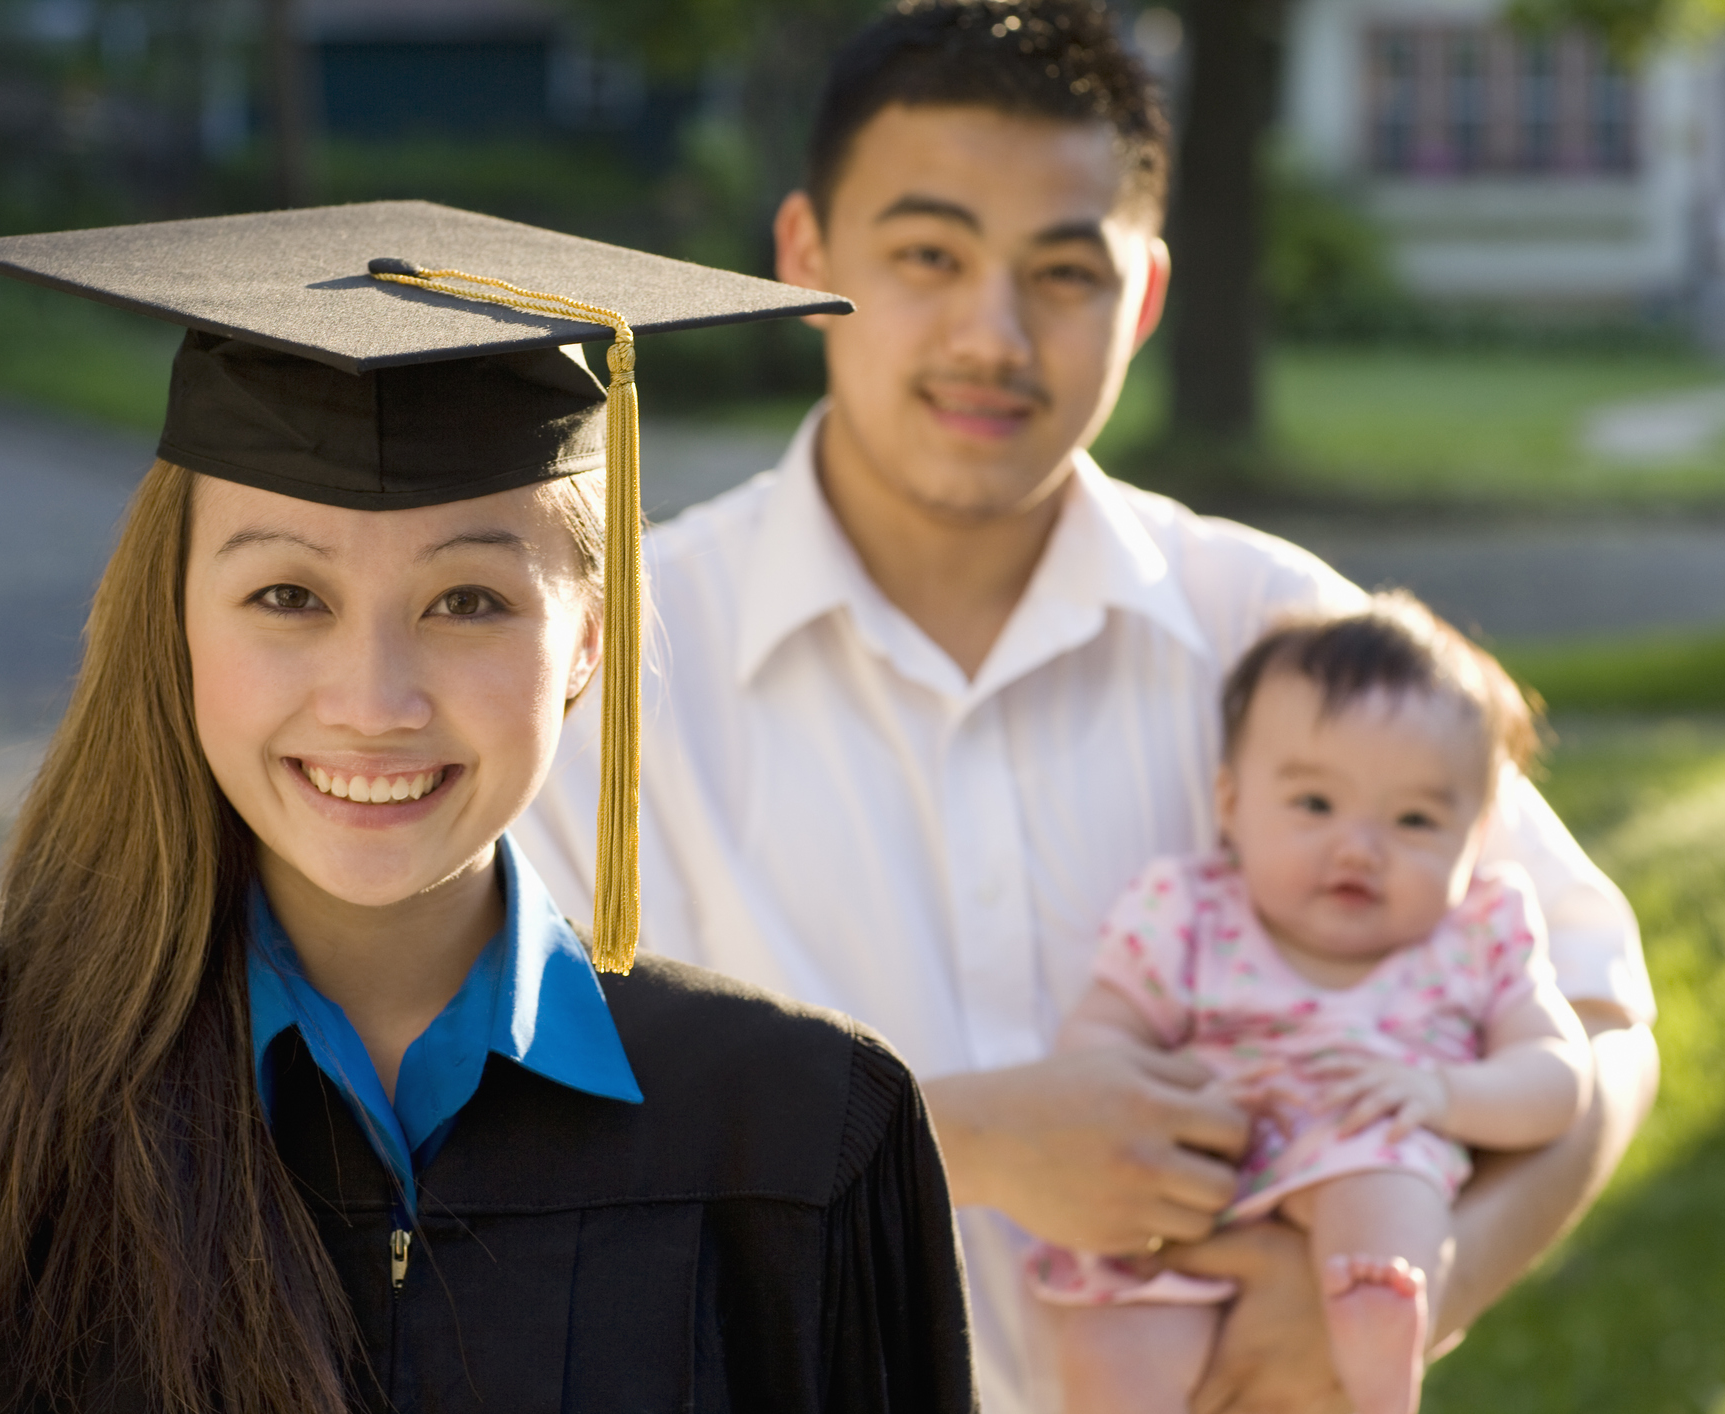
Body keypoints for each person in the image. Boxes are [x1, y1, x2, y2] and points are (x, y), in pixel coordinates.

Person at [0, 204, 976, 1413]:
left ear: (588, 645)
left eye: (468, 600)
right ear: (177, 622)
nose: (372, 698)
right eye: (287, 596)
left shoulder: (794, 1136)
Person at [514, 3, 1659, 1409]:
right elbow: (492, 1143)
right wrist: (948, 1140)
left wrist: (1418, 1291)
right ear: (806, 254)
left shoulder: (1281, 630)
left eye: (1063, 271)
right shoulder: (604, 669)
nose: (990, 334)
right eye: (926, 256)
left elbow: (1604, 1017)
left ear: (1148, 293)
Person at [1028, 594, 1590, 1414]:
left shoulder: (1477, 934)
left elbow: (1556, 1074)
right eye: (1314, 805)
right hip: (1196, 1175)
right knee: (1112, 1341)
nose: (1357, 847)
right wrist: (1161, 1088)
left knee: (1385, 1196)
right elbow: (1099, 1033)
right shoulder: (1188, 911)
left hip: (1365, 1140)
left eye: (1412, 820)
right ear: (1230, 806)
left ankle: (1376, 1376)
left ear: (1475, 836)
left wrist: (1443, 1096)